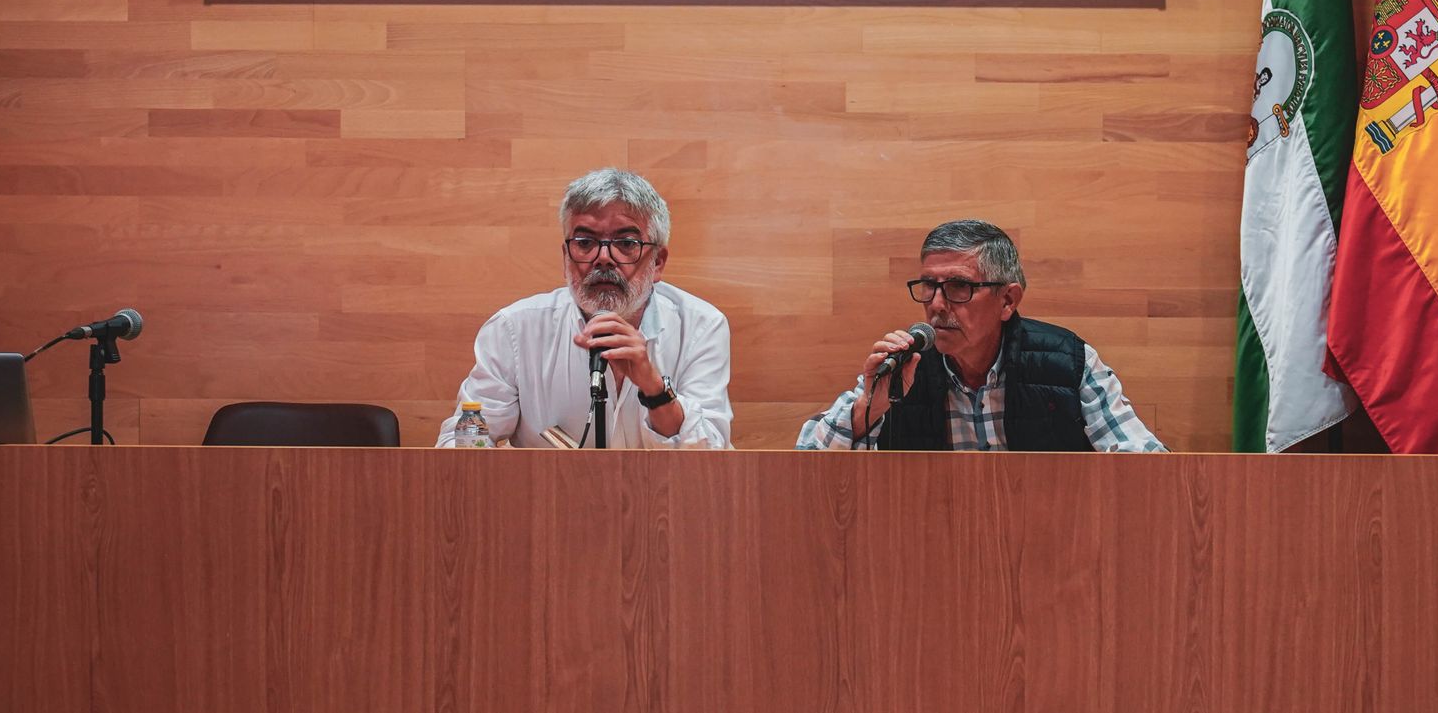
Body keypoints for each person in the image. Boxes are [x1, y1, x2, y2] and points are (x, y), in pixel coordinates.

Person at [797, 219, 1165, 452]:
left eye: (959, 287)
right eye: (929, 286)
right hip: (931, 550)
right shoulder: (904, 367)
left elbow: (1146, 466)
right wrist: (870, 408)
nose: (937, 305)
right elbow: (808, 463)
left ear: (1008, 300)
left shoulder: (1066, 361)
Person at [437, 168, 732, 448]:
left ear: (657, 262)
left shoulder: (700, 326)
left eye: (626, 243)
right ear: (566, 256)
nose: (603, 257)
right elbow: (460, 442)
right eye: (585, 242)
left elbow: (712, 456)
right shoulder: (514, 330)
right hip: (551, 499)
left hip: (663, 499)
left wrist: (654, 388)